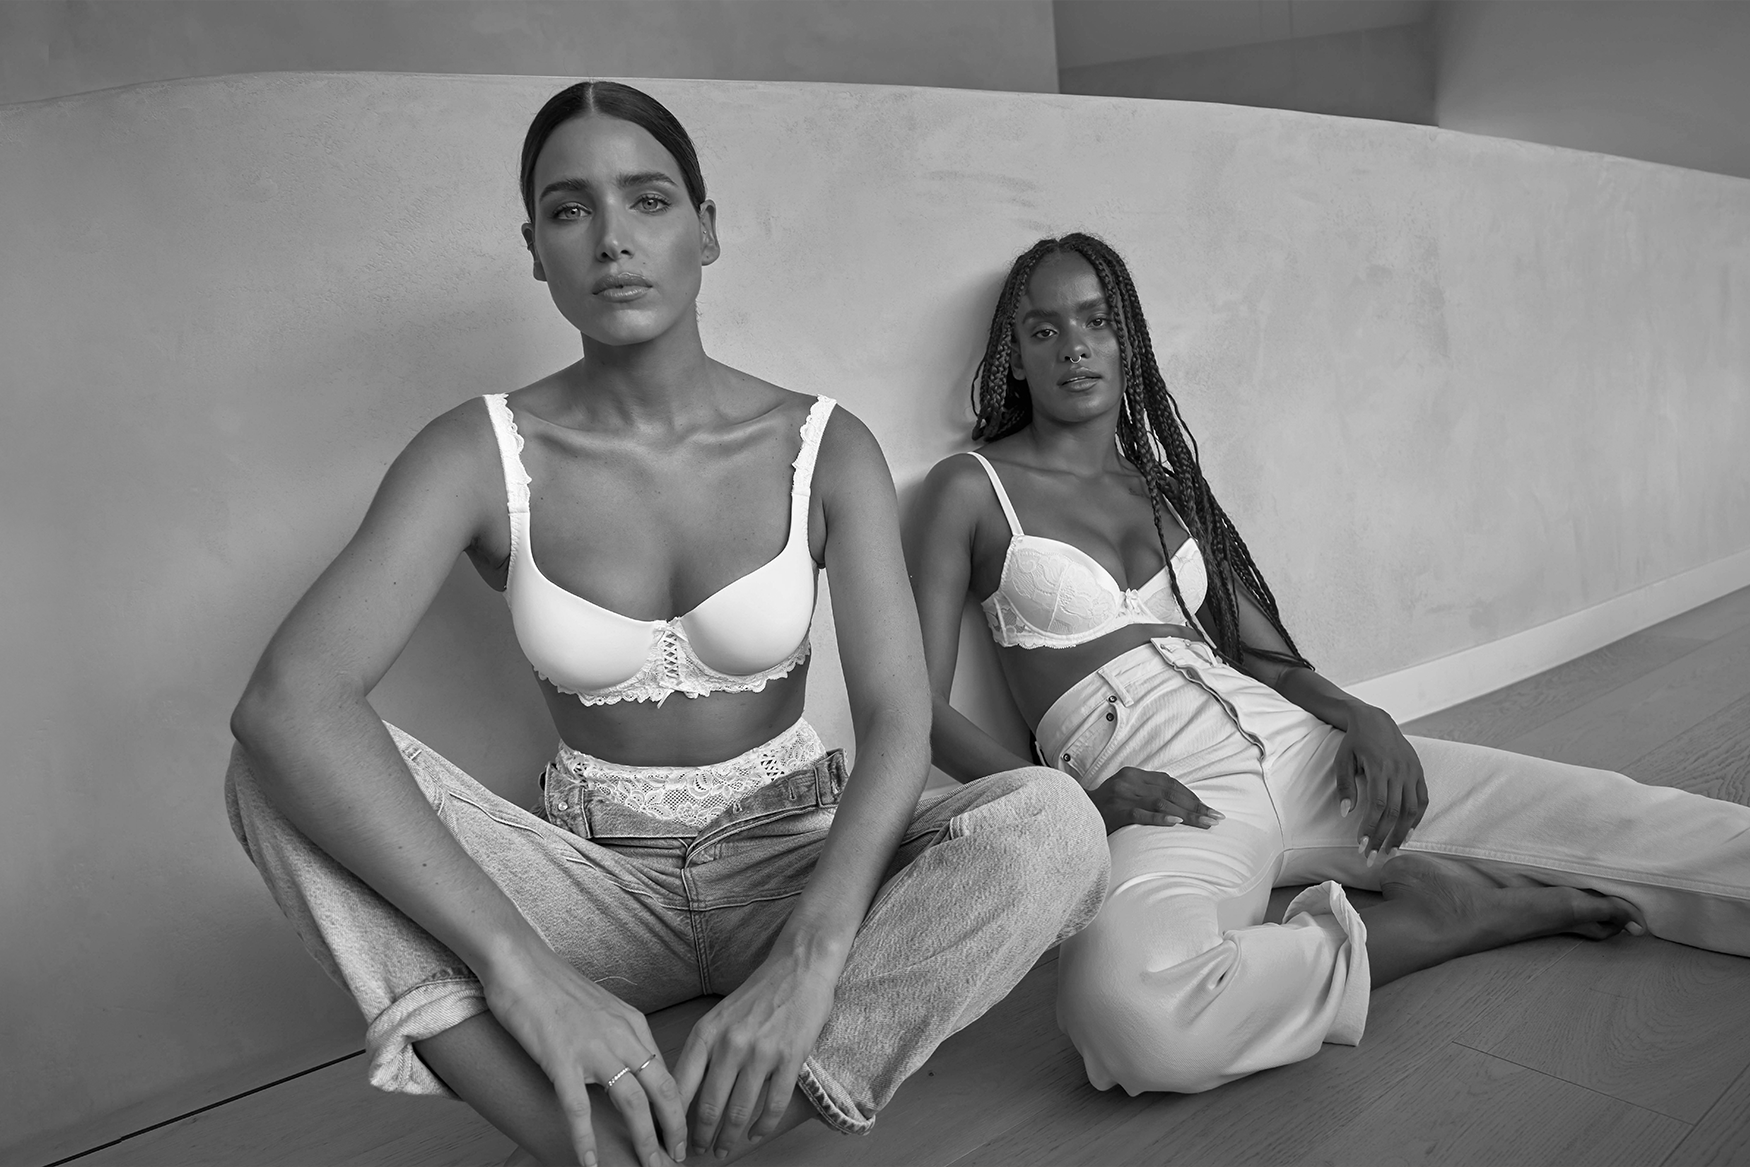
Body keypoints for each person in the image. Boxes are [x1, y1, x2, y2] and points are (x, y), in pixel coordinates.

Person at [225, 85, 1109, 1167]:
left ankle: (699, 1134)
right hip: (585, 887)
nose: (611, 242)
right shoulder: (476, 452)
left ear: (707, 227)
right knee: (271, 767)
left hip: (792, 860)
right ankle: (573, 1134)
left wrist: (813, 957)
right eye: (568, 211)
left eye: (647, 200)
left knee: (1049, 822)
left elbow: (895, 718)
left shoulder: (823, 444)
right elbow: (291, 701)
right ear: (534, 249)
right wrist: (525, 971)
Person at [906, 231, 1750, 1097]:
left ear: (1130, 339)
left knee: (1607, 813)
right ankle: (1435, 921)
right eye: (1044, 329)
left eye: (1096, 319)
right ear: (1015, 354)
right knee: (1127, 1011)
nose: (1075, 345)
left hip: (1302, 748)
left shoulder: (1161, 487)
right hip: (1162, 794)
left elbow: (1265, 653)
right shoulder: (969, 488)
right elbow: (915, 709)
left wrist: (1362, 715)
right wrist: (1072, 805)